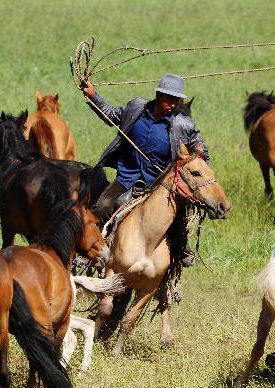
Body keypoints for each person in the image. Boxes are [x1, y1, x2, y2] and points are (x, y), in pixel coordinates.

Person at [82, 73, 209, 266]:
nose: (173, 105)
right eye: (170, 99)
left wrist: (196, 153)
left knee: (175, 222)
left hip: (160, 184)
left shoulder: (182, 124)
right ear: (159, 95)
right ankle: (94, 252)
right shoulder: (137, 108)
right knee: (101, 207)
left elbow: (201, 151)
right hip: (127, 177)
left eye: (177, 100)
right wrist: (93, 95)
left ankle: (181, 249)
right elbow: (112, 115)